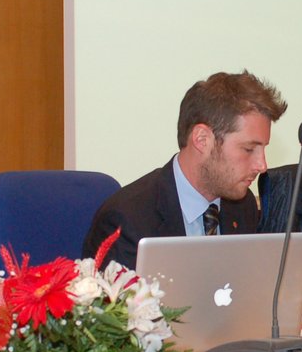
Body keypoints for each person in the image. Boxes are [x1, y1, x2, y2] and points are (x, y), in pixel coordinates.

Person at [83, 70, 286, 269]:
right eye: (249, 149)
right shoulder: (127, 220)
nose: (262, 165)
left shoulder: (242, 207)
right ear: (202, 140)